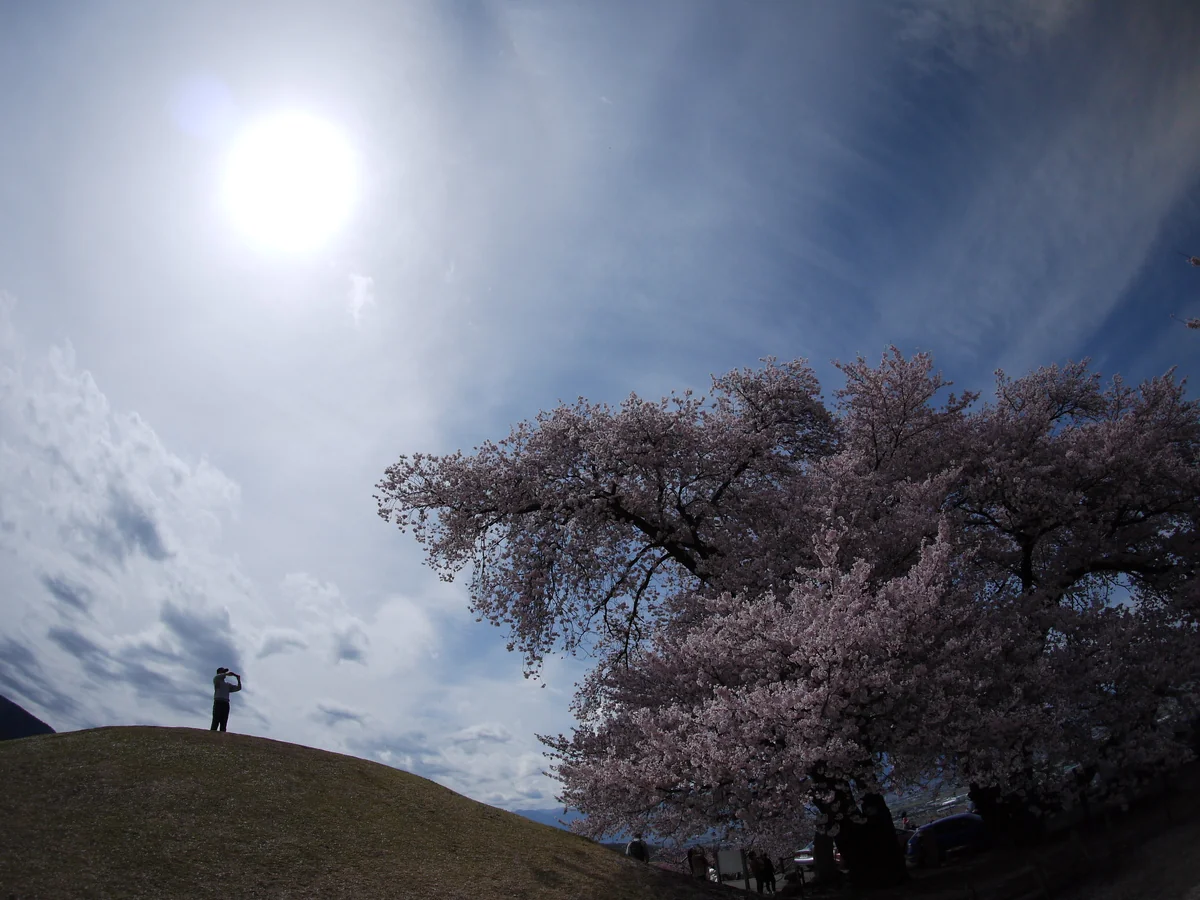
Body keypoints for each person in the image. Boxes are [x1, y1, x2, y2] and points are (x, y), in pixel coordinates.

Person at [210, 667, 242, 732]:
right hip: (218, 702)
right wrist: (232, 674)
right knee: (215, 722)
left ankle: (222, 737)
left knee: (223, 723)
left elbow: (238, 688)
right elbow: (222, 675)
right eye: (223, 672)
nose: (224, 673)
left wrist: (238, 680)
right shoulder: (216, 680)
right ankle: (212, 736)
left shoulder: (227, 685)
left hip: (225, 704)